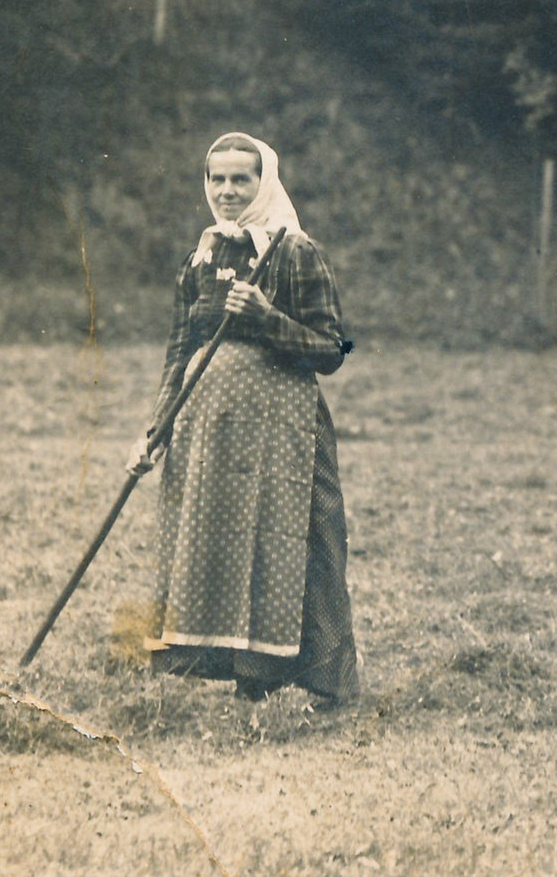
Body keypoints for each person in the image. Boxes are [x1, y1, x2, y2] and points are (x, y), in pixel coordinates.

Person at [128, 133, 358, 706]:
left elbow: (334, 349)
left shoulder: (296, 252)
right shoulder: (201, 257)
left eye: (240, 179)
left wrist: (266, 317)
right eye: (217, 179)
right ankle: (234, 676)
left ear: (264, 183)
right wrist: (156, 430)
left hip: (282, 432)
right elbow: (179, 351)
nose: (227, 191)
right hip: (206, 432)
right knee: (214, 545)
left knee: (304, 545)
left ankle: (317, 685)